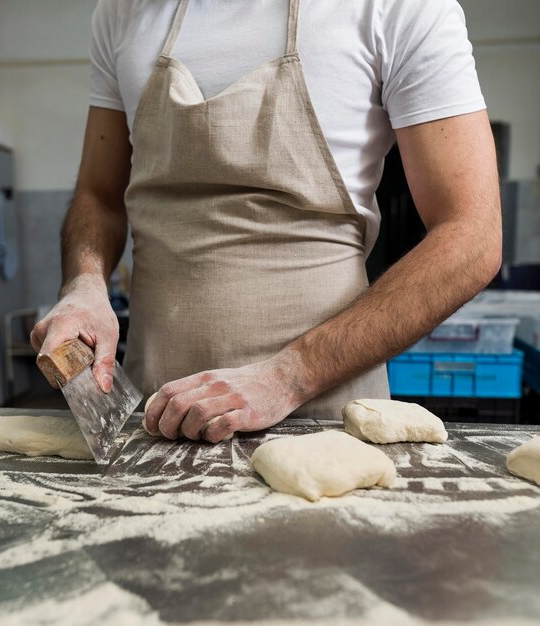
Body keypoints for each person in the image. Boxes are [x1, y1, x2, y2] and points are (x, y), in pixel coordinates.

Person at [30, 0, 501, 443]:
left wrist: (288, 376)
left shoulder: (397, 8)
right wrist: (85, 283)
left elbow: (472, 236)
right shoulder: (124, 11)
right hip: (158, 415)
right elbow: (98, 195)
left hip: (322, 417)